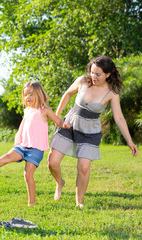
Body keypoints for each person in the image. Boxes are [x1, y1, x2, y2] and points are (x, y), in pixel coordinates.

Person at [48, 56, 138, 207]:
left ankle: (79, 202)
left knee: (84, 166)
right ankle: (60, 182)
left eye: (98, 74)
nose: (93, 77)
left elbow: (119, 118)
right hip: (70, 124)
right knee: (52, 162)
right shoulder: (82, 80)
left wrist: (129, 141)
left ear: (108, 74)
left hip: (90, 131)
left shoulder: (111, 93)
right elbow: (68, 94)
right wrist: (57, 118)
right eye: (92, 72)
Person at [0, 81, 70, 206]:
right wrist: (18, 138)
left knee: (28, 175)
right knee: (6, 157)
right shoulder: (27, 110)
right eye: (26, 95)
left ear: (39, 94)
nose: (27, 97)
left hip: (36, 149)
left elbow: (58, 122)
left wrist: (64, 124)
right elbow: (23, 125)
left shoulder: (44, 111)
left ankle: (31, 203)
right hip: (22, 145)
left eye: (31, 94)